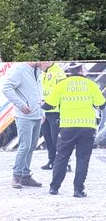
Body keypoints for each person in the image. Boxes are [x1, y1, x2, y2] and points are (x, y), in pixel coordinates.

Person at [44, 63, 105, 197]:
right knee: (83, 158)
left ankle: (54, 187)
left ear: (69, 72)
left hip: (67, 127)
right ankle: (78, 190)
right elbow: (101, 104)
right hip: (87, 127)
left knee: (62, 156)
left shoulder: (62, 85)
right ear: (82, 70)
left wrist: (42, 104)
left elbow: (48, 105)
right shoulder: (91, 84)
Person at [2, 61, 52, 189]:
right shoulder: (20, 69)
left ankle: (25, 176)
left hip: (36, 115)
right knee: (24, 146)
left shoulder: (37, 71)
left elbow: (38, 93)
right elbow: (6, 88)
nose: (47, 64)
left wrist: (42, 112)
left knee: (31, 146)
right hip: (24, 115)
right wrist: (21, 105)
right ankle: (16, 176)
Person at [40, 63, 67, 170]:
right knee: (47, 137)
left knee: (57, 138)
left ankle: (64, 163)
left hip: (56, 110)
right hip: (45, 110)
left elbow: (62, 92)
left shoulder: (59, 73)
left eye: (41, 62)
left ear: (48, 62)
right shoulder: (43, 73)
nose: (39, 64)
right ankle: (52, 161)